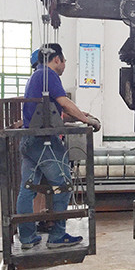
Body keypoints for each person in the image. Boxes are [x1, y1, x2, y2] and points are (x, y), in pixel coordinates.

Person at [16, 43, 100, 249]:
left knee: (27, 188)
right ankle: (57, 236)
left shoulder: (36, 76)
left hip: (29, 140)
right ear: (57, 59)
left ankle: (27, 238)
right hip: (44, 141)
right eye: (64, 61)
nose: (64, 65)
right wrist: (87, 121)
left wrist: (79, 116)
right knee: (64, 186)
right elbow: (64, 103)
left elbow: (53, 113)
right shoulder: (49, 75)